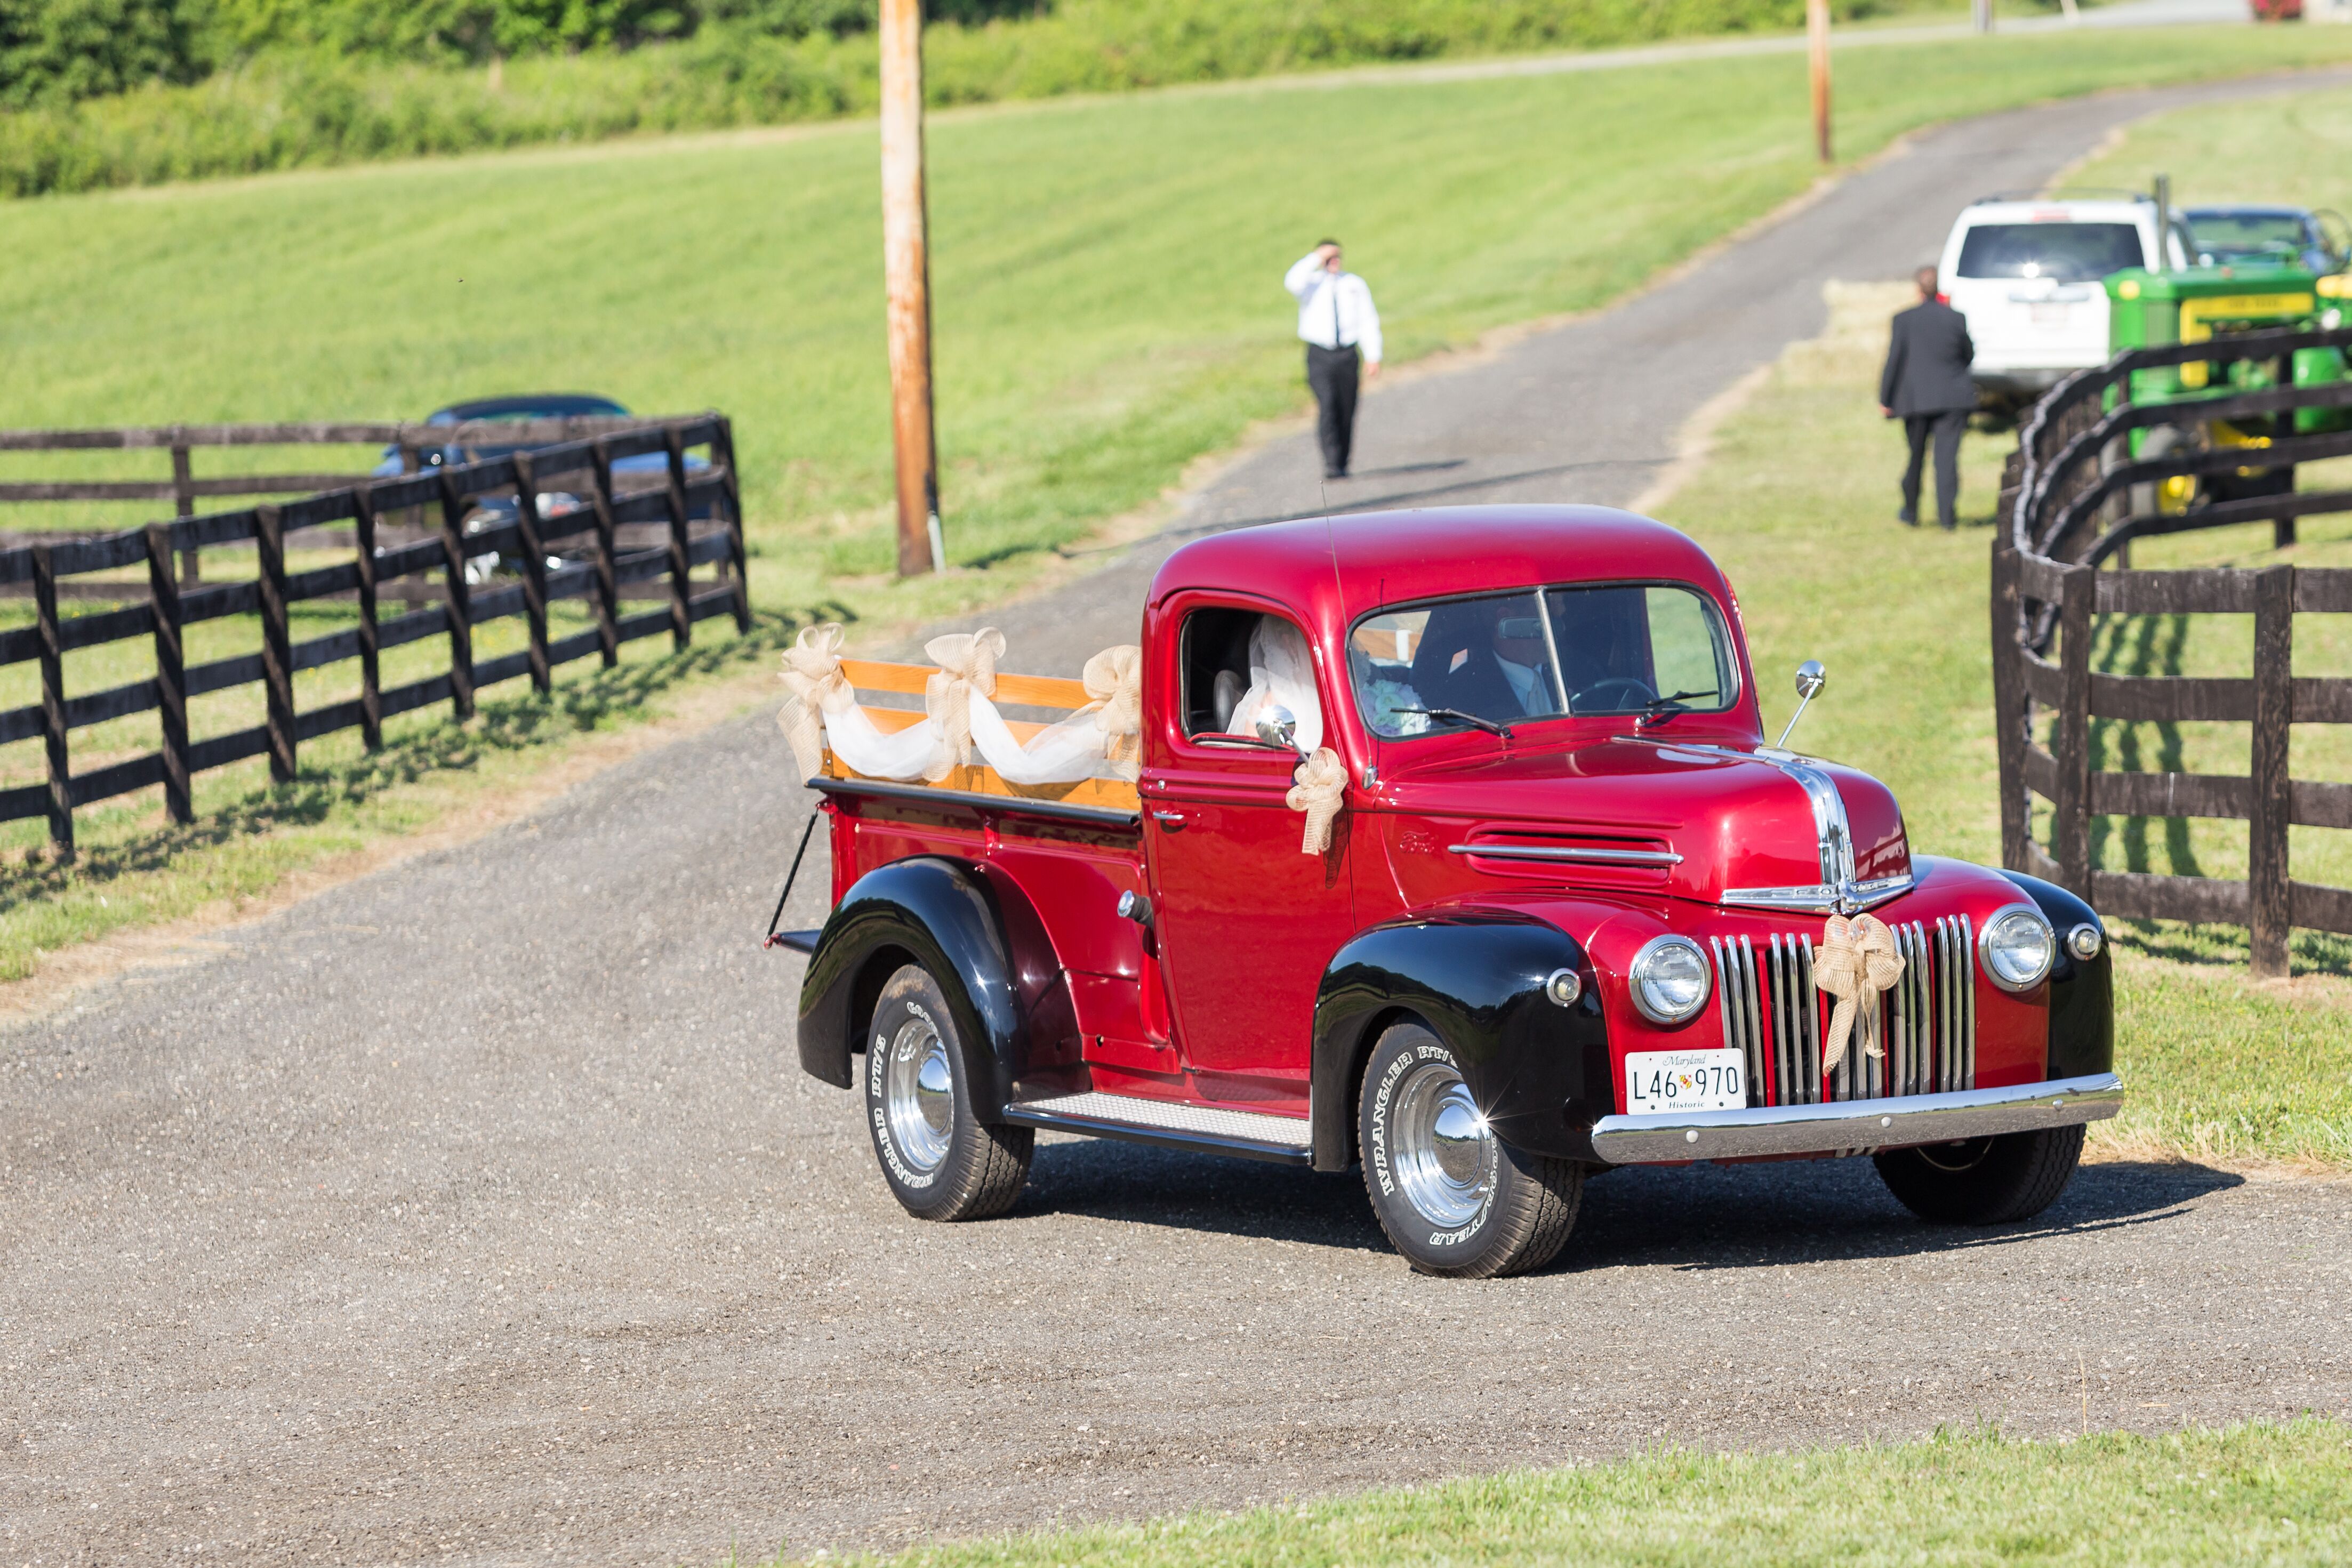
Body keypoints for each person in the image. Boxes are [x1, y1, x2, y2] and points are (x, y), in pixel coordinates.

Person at [1879, 265, 1977, 530]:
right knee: (1946, 461)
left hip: (1915, 400)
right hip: (1952, 399)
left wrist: (1885, 398)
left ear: (1918, 290)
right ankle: (1947, 518)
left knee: (1916, 457)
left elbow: (1894, 361)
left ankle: (1911, 513)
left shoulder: (1903, 320)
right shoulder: (1956, 318)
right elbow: (1968, 355)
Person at [1284, 240, 1383, 480]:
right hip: (1320, 353)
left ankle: (1343, 460)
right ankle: (1331, 462)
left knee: (1347, 407)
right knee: (1327, 404)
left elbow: (1368, 319)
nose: (1334, 261)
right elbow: (1292, 281)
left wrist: (1373, 355)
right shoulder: (1311, 284)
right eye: (1329, 257)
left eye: (1336, 256)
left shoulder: (1354, 284)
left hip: (1348, 353)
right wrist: (1316, 258)